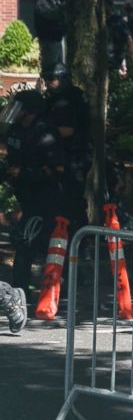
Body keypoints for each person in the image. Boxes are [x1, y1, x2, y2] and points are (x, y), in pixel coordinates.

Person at [1, 90, 65, 296]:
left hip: (45, 198)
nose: (15, 112)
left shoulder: (46, 134)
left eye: (20, 108)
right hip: (23, 195)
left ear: (31, 111)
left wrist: (26, 173)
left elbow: (57, 170)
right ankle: (21, 290)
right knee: (26, 242)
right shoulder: (14, 131)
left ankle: (58, 287)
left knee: (35, 243)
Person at [42, 63, 91, 233]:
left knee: (73, 200)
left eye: (51, 79)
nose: (47, 82)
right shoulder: (53, 98)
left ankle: (81, 241)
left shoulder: (72, 98)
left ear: (62, 78)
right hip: (60, 155)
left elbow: (68, 130)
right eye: (45, 79)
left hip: (75, 155)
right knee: (58, 200)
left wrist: (43, 132)